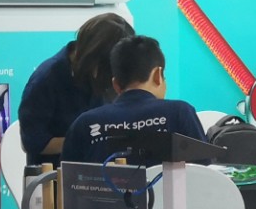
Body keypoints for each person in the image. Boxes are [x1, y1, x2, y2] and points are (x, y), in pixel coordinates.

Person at [18, 12, 133, 193]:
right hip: (55, 184)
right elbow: (34, 143)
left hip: (101, 178)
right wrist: (83, 140)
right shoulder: (46, 79)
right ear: (95, 59)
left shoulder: (103, 77)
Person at [61, 35, 205, 165]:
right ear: (157, 75)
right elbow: (205, 171)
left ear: (116, 84)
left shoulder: (84, 123)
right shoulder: (179, 113)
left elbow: (67, 178)